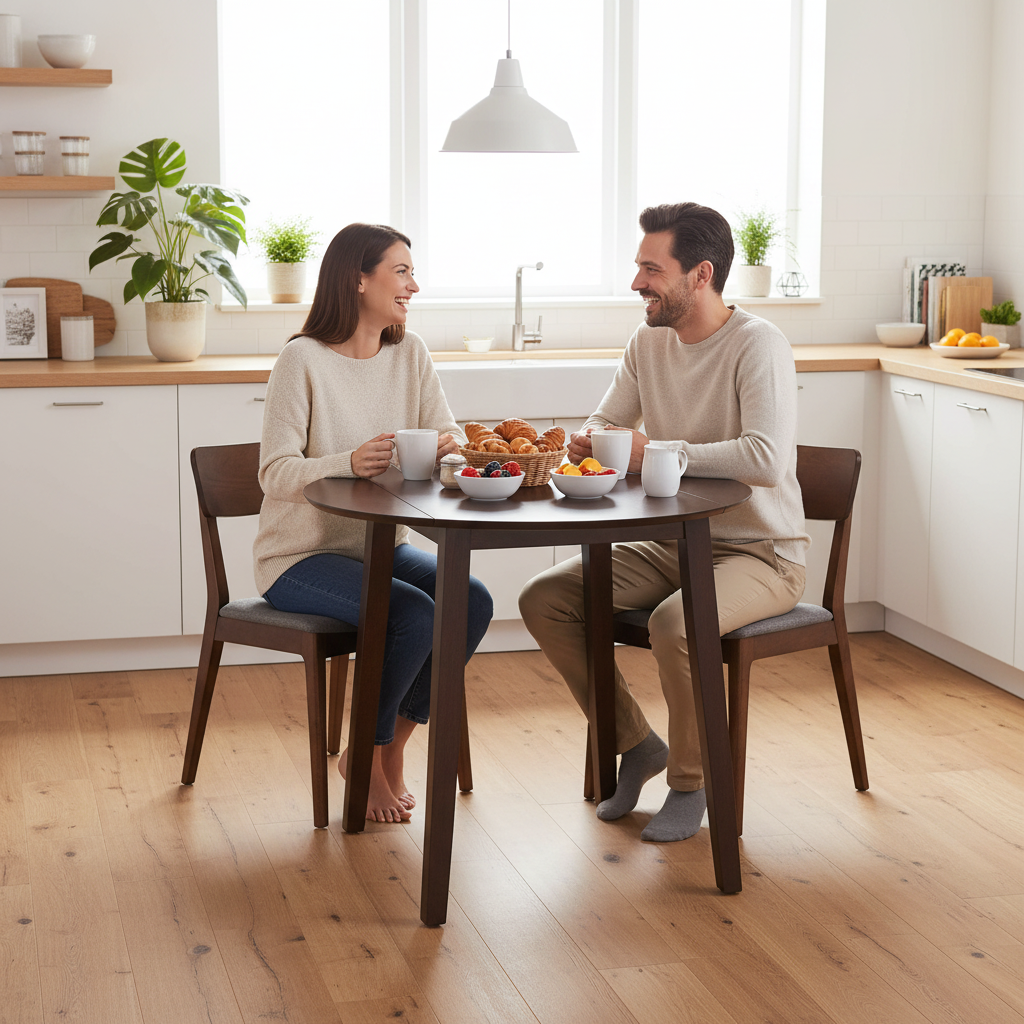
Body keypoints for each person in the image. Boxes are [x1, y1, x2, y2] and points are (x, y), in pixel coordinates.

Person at [519, 202, 809, 842]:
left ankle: (691, 781)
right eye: (638, 267)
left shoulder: (757, 344)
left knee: (675, 623)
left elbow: (765, 458)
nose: (637, 283)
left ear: (700, 274)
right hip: (673, 544)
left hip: (760, 553)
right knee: (545, 599)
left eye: (652, 269)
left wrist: (657, 452)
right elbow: (606, 421)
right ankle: (637, 744)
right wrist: (592, 440)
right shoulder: (647, 342)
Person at [253, 222, 493, 824]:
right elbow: (274, 473)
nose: (414, 285)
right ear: (359, 279)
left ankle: (389, 749)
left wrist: (448, 449)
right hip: (299, 558)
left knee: (471, 599)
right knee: (412, 613)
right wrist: (347, 462)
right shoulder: (301, 360)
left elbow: (450, 434)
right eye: (402, 271)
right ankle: (363, 752)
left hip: (379, 549)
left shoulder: (410, 355)